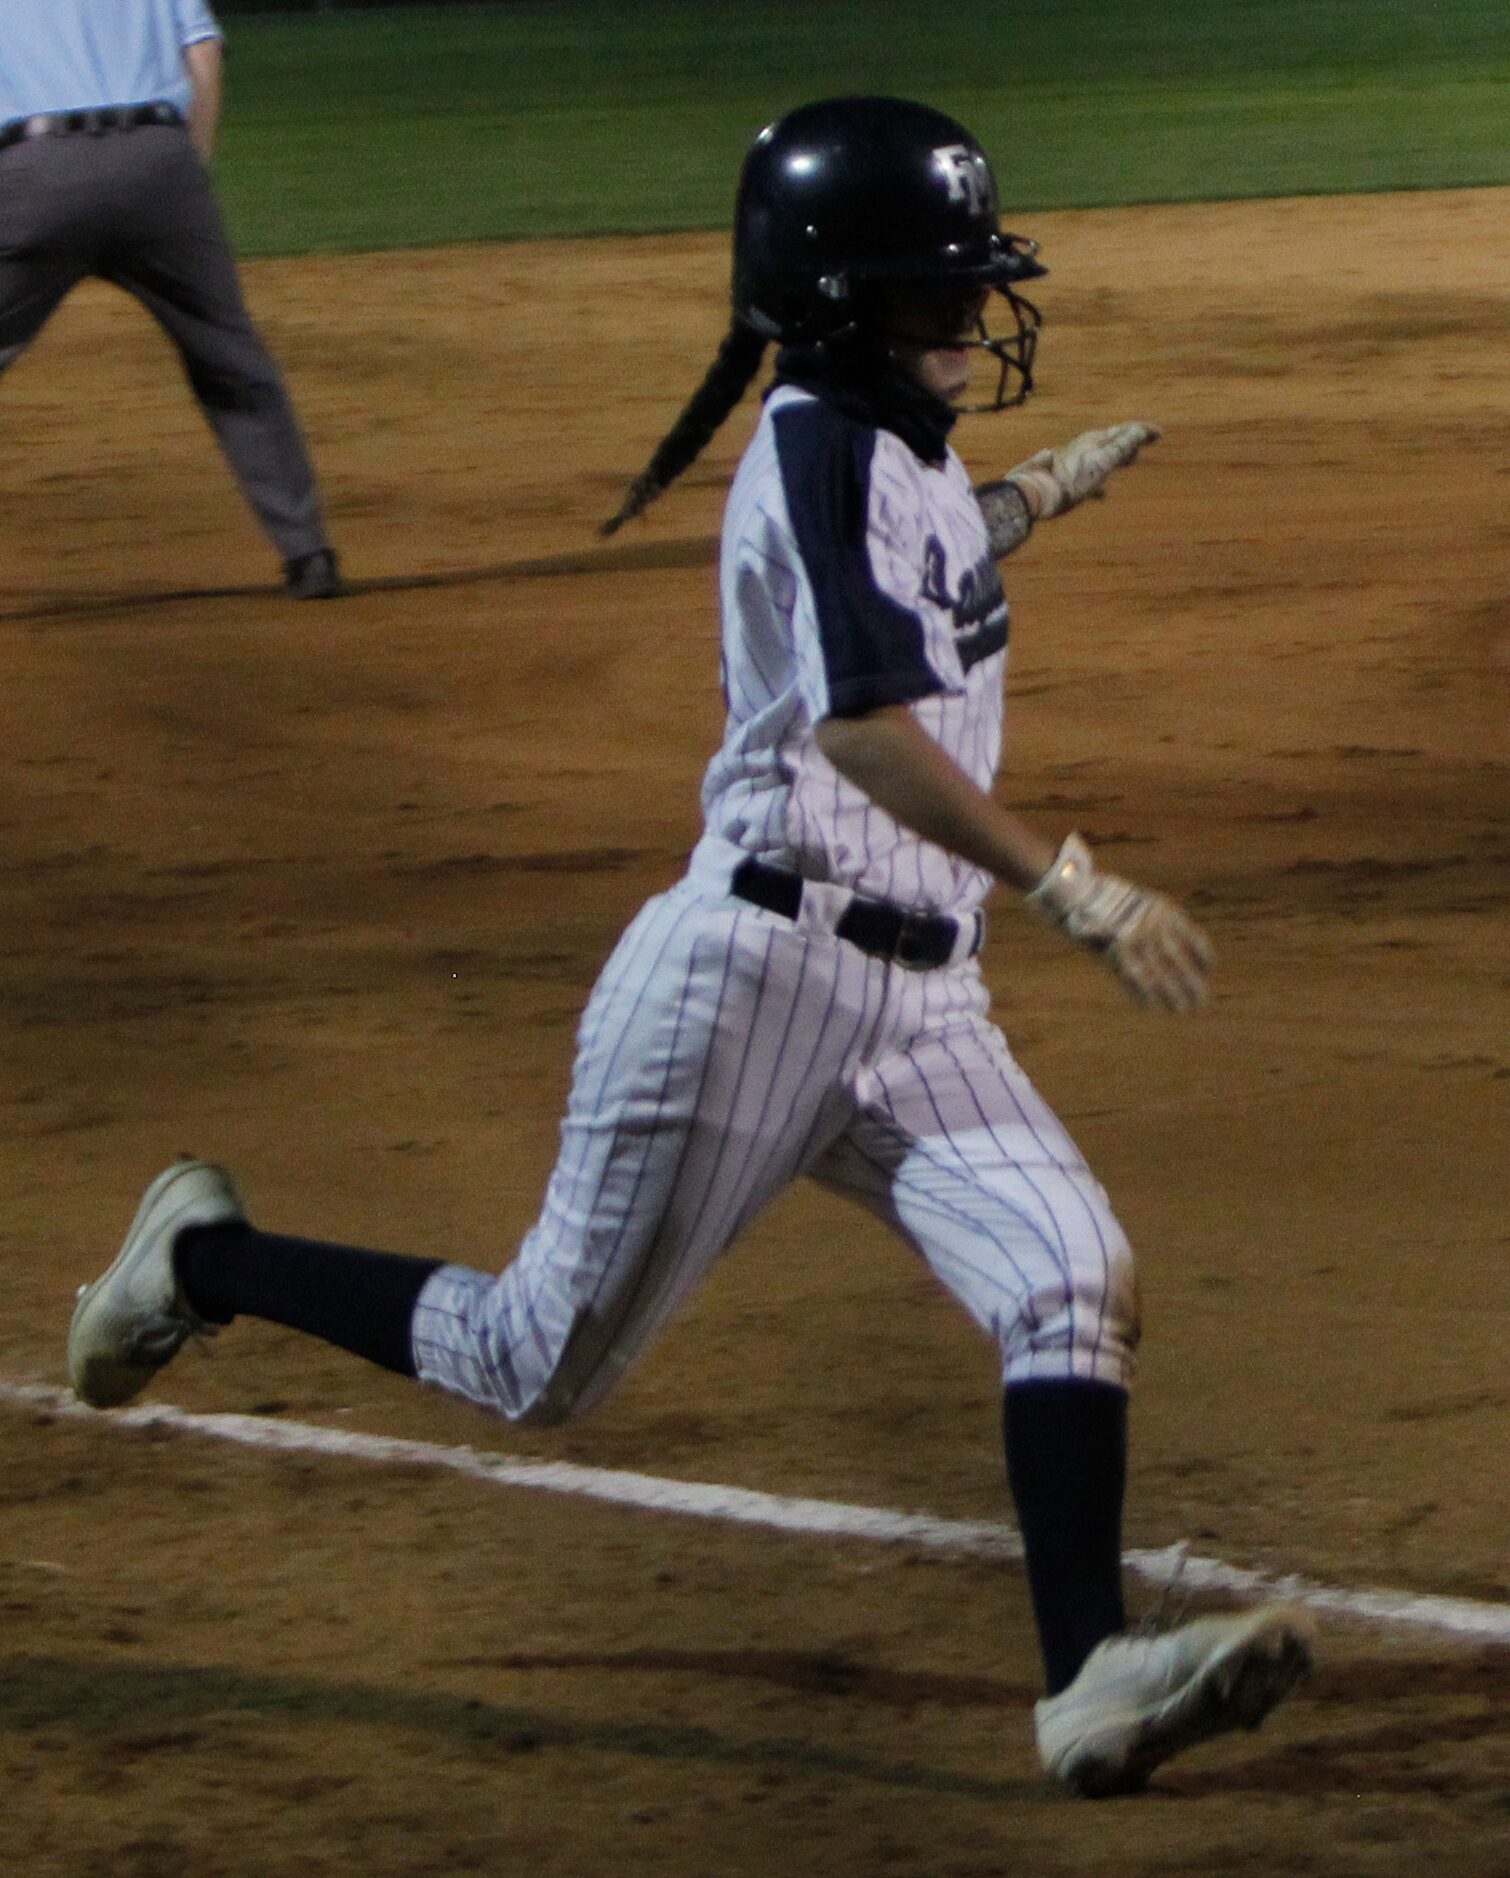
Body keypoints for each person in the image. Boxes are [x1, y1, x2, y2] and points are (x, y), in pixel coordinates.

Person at [66, 97, 1312, 1796]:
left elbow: (901, 570)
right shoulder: (813, 442)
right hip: (749, 979)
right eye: (931, 291)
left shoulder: (897, 437)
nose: (968, 317)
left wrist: (1018, 499)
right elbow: (867, 722)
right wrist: (1073, 886)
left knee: (1071, 1274)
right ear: (833, 298)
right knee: (534, 1363)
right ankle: (198, 1263)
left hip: (919, 997)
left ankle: (1087, 1675)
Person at [0, 0, 342, 598]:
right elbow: (203, 53)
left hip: (38, 173)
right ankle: (308, 553)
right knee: (233, 364)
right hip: (160, 168)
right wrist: (190, 172)